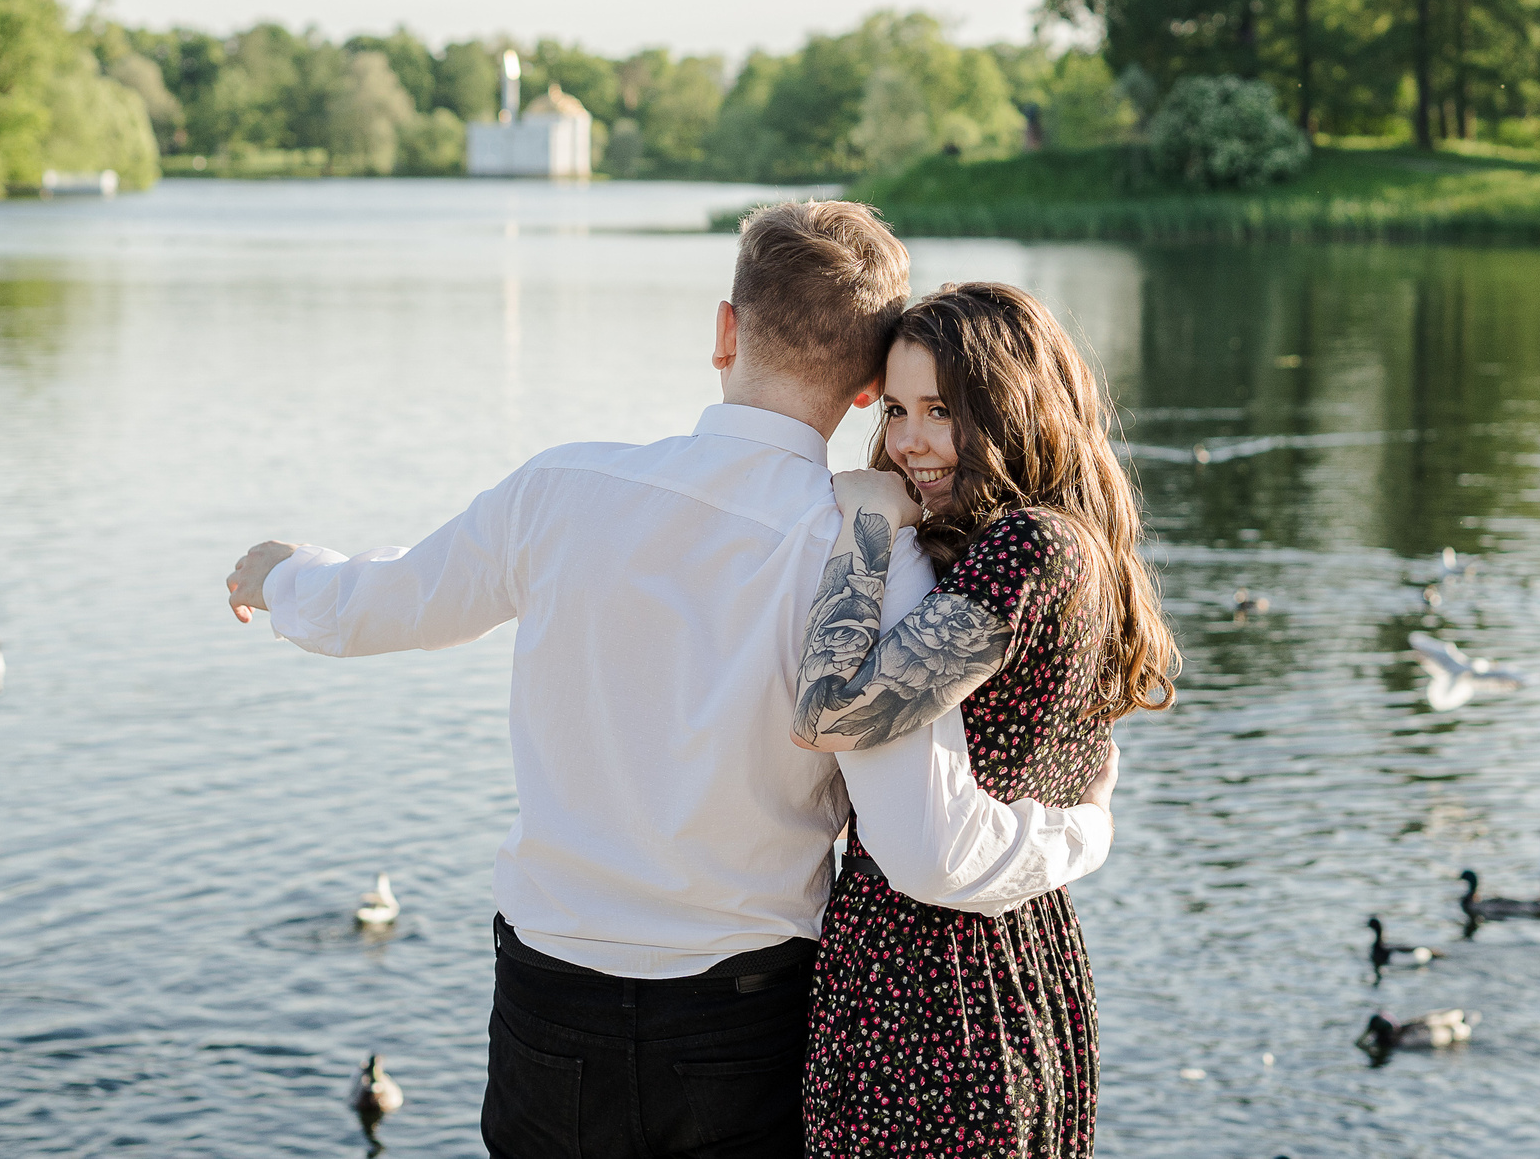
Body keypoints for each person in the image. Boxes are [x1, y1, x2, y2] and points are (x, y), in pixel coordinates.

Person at [222, 203, 1119, 1159]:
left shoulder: (560, 488)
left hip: (548, 997)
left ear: (726, 329)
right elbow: (923, 840)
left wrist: (283, 575)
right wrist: (1079, 830)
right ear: (869, 390)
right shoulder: (874, 554)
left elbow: (383, 603)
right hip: (742, 1017)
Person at [790, 281, 1179, 1158]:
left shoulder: (1027, 547)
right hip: (1011, 956)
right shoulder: (1064, 544)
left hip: (937, 991)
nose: (908, 441)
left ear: (1012, 406)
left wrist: (869, 521)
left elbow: (826, 710)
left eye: (942, 409)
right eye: (896, 410)